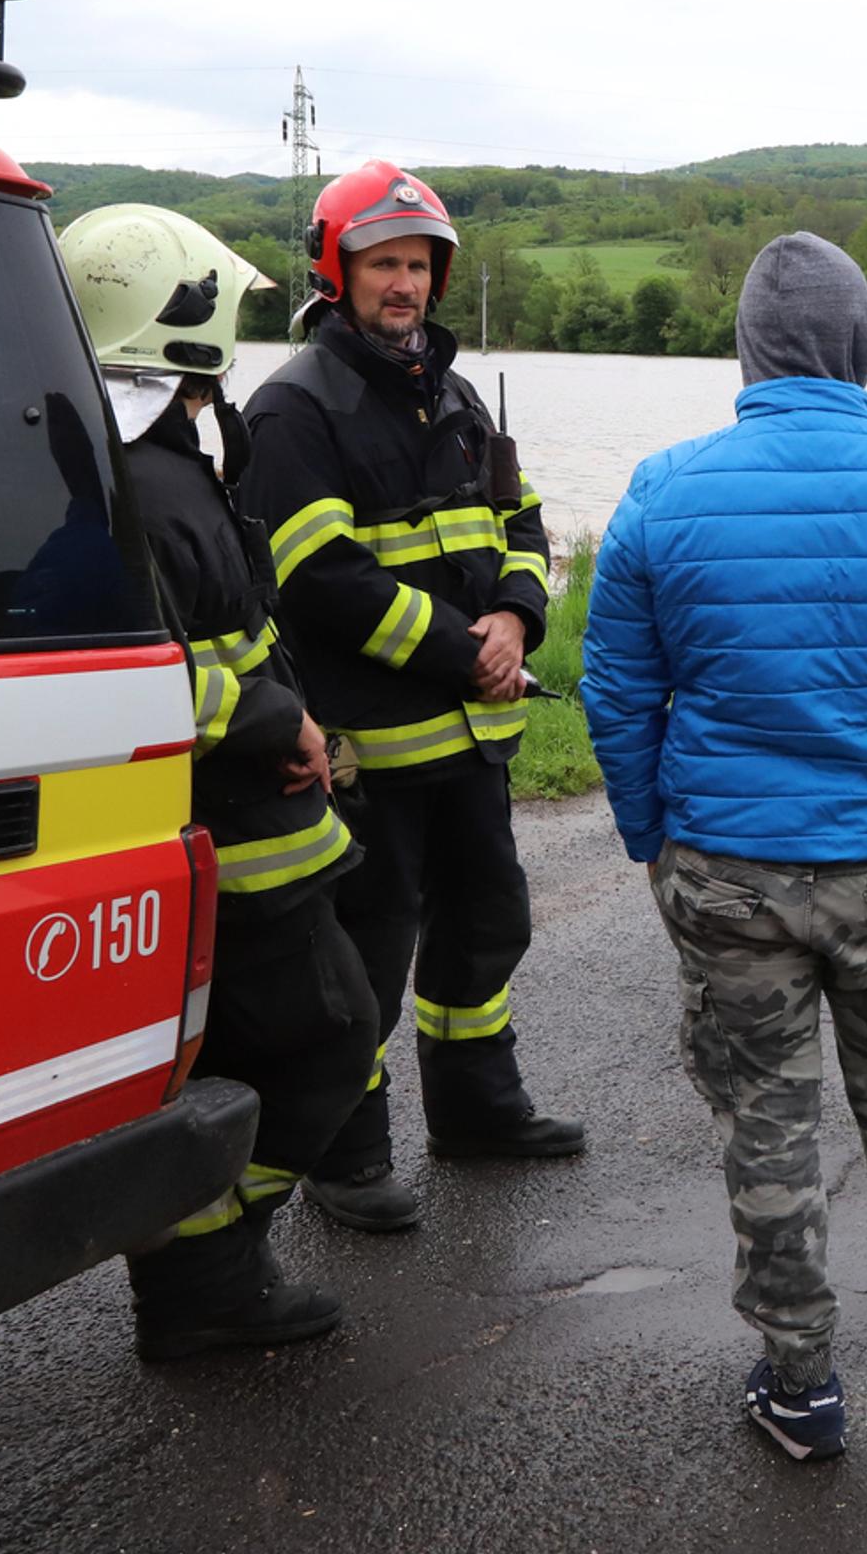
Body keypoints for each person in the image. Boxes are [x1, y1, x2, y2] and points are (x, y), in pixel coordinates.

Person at [579, 231, 867, 1461]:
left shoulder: (666, 488)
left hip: (726, 869)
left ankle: (799, 1381)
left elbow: (616, 691)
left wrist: (649, 838)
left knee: (763, 1128)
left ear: (748, 349)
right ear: (864, 345)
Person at [59, 204, 380, 1360]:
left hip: (233, 838)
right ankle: (205, 1267)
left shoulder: (129, 462)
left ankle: (199, 1269)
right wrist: (273, 717)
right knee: (334, 1040)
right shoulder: (151, 486)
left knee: (238, 1058)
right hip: (241, 845)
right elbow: (143, 679)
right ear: (178, 327)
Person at [241, 161, 584, 1235]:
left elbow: (520, 525)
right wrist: (462, 651)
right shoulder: (297, 407)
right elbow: (320, 581)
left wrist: (519, 620)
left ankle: (479, 1114)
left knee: (486, 930)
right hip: (373, 752)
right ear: (334, 272)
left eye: (419, 265)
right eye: (384, 263)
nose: (405, 285)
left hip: (475, 740)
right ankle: (348, 1159)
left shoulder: (459, 396)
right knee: (369, 955)